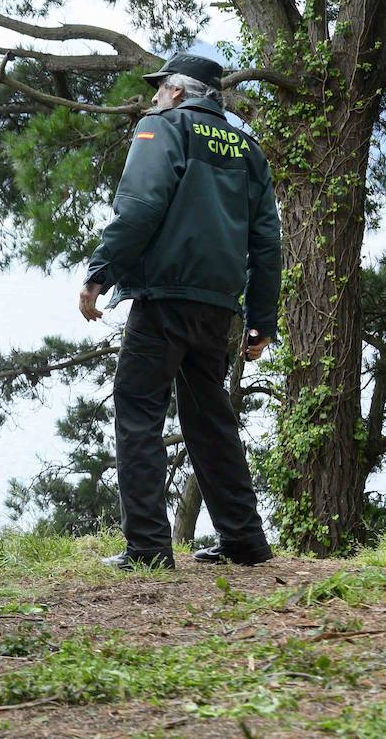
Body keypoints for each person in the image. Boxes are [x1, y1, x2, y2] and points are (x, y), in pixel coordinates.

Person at [79, 53, 280, 570]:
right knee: (209, 416)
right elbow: (266, 242)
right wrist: (261, 320)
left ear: (178, 91)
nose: (152, 98)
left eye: (159, 88)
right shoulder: (247, 147)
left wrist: (100, 272)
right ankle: (245, 541)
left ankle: (146, 547)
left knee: (138, 408)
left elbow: (141, 206)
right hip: (218, 306)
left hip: (165, 296)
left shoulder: (163, 128)